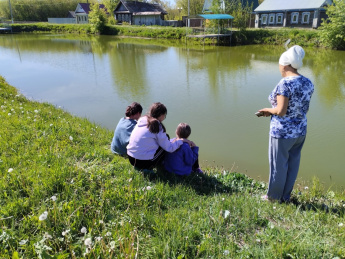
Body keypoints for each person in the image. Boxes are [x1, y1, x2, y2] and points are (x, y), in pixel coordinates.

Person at [258, 45, 314, 203]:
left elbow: (281, 111)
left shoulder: (285, 84)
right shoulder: (307, 82)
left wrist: (268, 110)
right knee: (293, 164)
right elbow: (299, 107)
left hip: (282, 132)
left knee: (278, 165)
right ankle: (285, 196)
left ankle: (274, 198)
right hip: (300, 130)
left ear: (284, 65)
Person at [127, 102, 190, 171]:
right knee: (164, 147)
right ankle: (154, 167)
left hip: (131, 158)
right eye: (164, 115)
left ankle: (143, 166)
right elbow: (169, 148)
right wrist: (180, 141)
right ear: (161, 115)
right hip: (142, 162)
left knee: (162, 140)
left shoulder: (142, 120)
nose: (164, 117)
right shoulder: (156, 125)